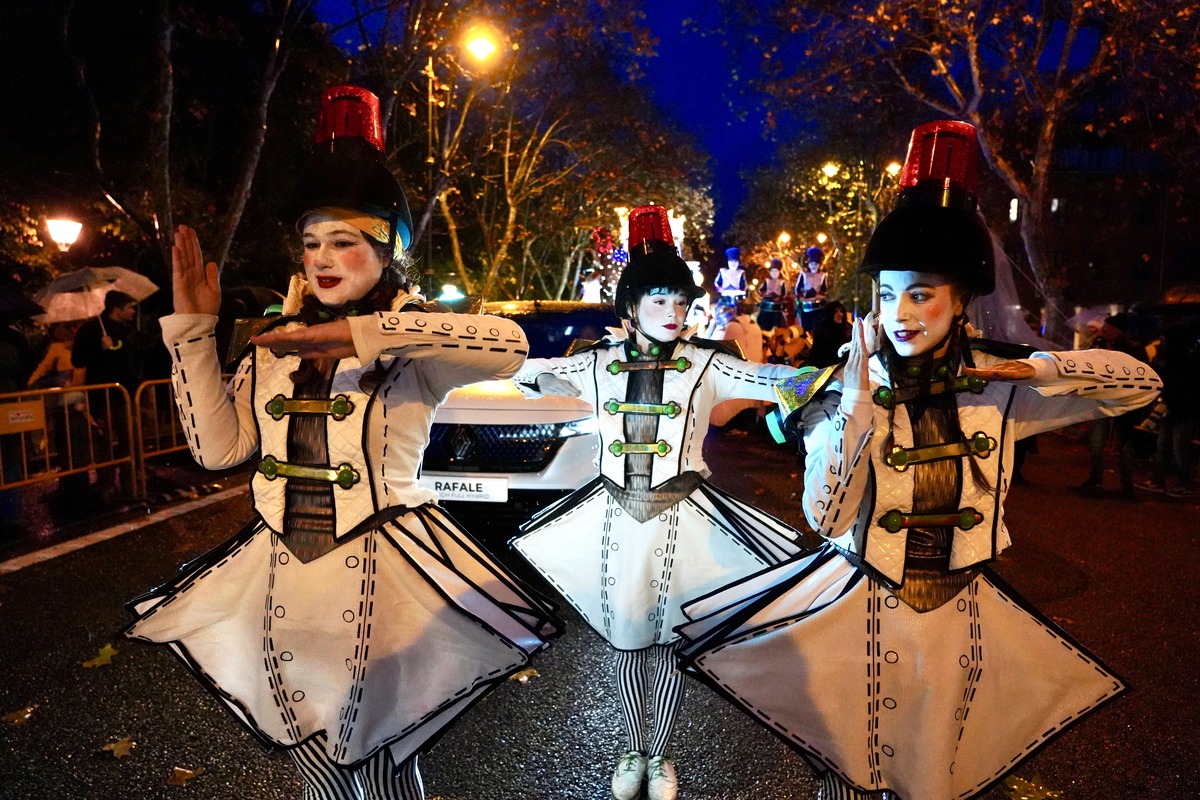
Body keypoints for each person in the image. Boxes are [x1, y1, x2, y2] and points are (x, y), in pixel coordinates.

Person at [676, 121, 1161, 800]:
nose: (900, 312)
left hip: (958, 619)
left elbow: (1140, 385)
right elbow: (826, 515)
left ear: (961, 298)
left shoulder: (1004, 385)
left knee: (933, 780)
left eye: (922, 292)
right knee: (845, 774)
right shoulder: (841, 387)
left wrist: (1044, 367)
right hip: (859, 607)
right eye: (886, 294)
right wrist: (855, 408)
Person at [122, 85, 560, 800]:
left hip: (385, 579)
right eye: (311, 241)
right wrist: (196, 334)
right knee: (314, 764)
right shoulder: (274, 343)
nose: (323, 258)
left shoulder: (416, 342)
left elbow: (508, 345)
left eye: (345, 241)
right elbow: (216, 452)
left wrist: (363, 332)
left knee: (382, 764)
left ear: (387, 249)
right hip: (280, 578)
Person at [509, 205, 804, 800]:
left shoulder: (707, 365)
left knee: (667, 643)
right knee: (626, 640)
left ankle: (658, 753)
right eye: (659, 301)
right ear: (629, 309)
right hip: (614, 520)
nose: (673, 314)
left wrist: (853, 373)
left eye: (680, 303)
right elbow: (526, 373)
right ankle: (629, 747)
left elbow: (779, 380)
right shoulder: (595, 365)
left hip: (683, 521)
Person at [69, 289, 142, 499]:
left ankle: (131, 480)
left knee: (130, 438)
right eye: (130, 307)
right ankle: (106, 482)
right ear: (116, 309)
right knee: (105, 440)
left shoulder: (127, 330)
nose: (133, 311)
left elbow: (134, 359)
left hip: (126, 396)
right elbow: (77, 360)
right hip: (102, 396)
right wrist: (99, 348)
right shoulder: (90, 330)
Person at [1079, 313, 1150, 496]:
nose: (1104, 330)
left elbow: (1139, 375)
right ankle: (1095, 478)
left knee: (1123, 444)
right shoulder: (1101, 344)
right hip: (1102, 400)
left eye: (1107, 327)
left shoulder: (1134, 348)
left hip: (1122, 403)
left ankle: (1127, 484)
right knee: (1097, 442)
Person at [1137, 322, 1199, 499]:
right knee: (1163, 444)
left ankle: (1184, 484)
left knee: (1179, 447)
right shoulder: (1176, 356)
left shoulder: (1183, 359)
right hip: (1173, 406)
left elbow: (1181, 384)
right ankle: (1158, 480)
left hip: (1182, 409)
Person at [806, 299, 852, 368]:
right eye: (836, 312)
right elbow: (819, 354)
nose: (840, 314)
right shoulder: (822, 330)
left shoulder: (848, 328)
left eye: (841, 311)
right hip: (826, 368)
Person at [794, 245, 829, 331]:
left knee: (818, 328)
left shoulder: (823, 276)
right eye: (812, 264)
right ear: (809, 264)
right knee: (805, 329)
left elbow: (824, 289)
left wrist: (818, 296)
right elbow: (798, 289)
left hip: (818, 307)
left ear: (819, 265)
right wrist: (801, 297)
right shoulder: (804, 274)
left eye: (816, 264)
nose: (814, 266)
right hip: (805, 306)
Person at [755, 258, 790, 331]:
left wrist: (779, 298)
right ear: (770, 272)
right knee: (764, 326)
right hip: (766, 308)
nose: (774, 273)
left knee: (777, 327)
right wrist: (764, 294)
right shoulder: (766, 281)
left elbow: (784, 293)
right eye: (772, 271)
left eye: (776, 272)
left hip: (777, 308)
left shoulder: (782, 282)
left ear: (779, 272)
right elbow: (760, 290)